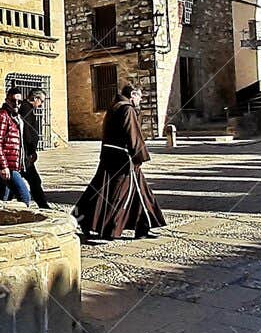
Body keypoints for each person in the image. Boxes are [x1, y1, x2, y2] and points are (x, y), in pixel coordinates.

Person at [73, 84, 167, 241]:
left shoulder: (114, 107)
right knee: (118, 194)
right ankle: (106, 228)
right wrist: (139, 156)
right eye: (139, 96)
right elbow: (133, 134)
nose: (141, 99)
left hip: (110, 156)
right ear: (132, 95)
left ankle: (142, 228)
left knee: (135, 192)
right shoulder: (127, 109)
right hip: (123, 159)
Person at [0, 87, 32, 204]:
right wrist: (3, 166)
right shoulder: (2, 116)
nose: (16, 104)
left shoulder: (15, 118)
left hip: (11, 164)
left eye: (19, 101)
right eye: (13, 101)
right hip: (6, 165)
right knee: (25, 197)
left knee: (1, 199)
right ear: (7, 100)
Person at [20, 88, 52, 209]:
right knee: (34, 181)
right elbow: (26, 131)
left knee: (22, 180)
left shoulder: (27, 108)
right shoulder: (26, 108)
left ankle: (43, 205)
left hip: (25, 153)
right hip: (25, 154)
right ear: (35, 98)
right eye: (41, 101)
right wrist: (31, 150)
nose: (42, 104)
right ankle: (43, 206)